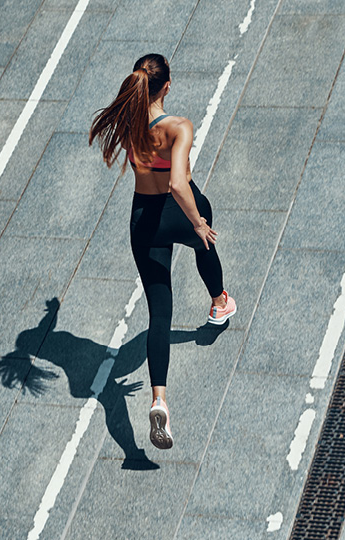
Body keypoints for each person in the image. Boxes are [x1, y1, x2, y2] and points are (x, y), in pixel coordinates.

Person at [88, 53, 236, 450]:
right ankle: (219, 301)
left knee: (159, 312)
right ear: (167, 86)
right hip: (177, 211)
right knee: (204, 238)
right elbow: (178, 185)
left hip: (143, 219)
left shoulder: (129, 120)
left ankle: (159, 400)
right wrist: (198, 223)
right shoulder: (178, 127)